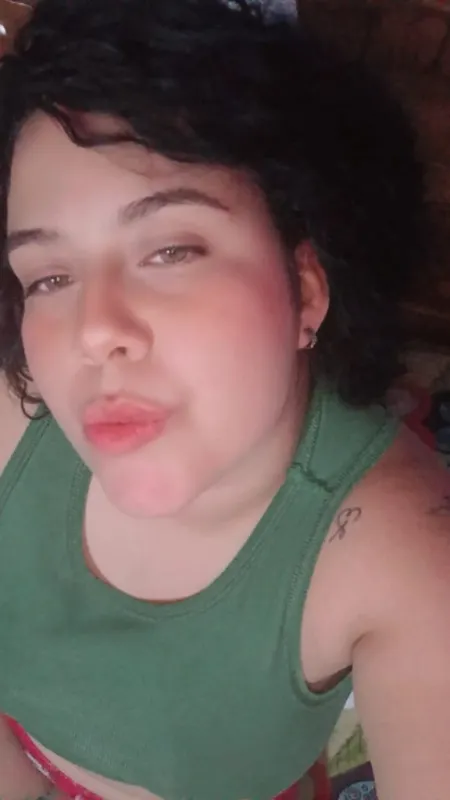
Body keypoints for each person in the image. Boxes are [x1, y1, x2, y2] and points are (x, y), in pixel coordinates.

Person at [0, 1, 449, 799]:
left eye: (171, 250)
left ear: (308, 286)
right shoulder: (13, 413)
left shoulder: (405, 561)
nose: (93, 332)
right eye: (50, 276)